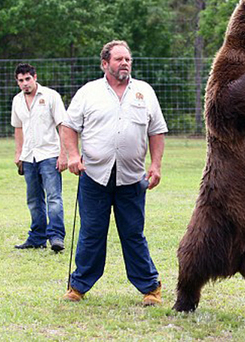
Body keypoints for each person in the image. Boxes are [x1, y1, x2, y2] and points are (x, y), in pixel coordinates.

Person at [61, 40, 167, 306]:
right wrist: (73, 155)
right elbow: (69, 127)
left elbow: (156, 131)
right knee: (91, 232)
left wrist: (155, 165)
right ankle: (78, 286)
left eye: (128, 59)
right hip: (94, 176)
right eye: (119, 59)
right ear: (105, 64)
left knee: (133, 233)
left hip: (132, 178)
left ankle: (150, 288)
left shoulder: (144, 92)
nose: (125, 63)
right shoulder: (88, 92)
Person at [11, 63, 68, 252]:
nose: (25, 83)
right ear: (17, 82)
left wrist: (64, 154)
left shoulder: (51, 96)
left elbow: (63, 125)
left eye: (28, 79)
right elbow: (18, 128)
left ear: (35, 77)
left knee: (53, 197)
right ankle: (37, 237)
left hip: (49, 154)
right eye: (21, 80)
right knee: (34, 199)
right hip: (29, 156)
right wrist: (18, 153)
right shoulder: (17, 101)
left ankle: (56, 236)